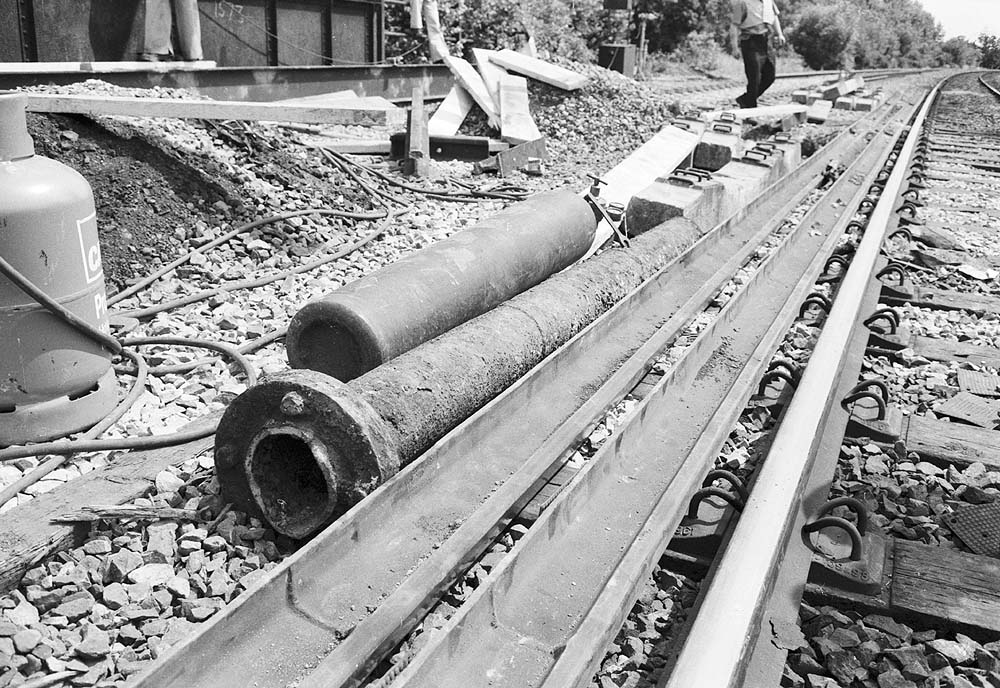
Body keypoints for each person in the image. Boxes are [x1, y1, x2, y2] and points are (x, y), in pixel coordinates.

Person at [730, 0, 785, 109]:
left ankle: (745, 100)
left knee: (770, 76)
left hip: (766, 41)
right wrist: (734, 47)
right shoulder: (742, 3)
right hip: (750, 42)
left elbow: (774, 17)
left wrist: (780, 34)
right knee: (754, 78)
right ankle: (750, 109)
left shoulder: (769, 2)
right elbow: (734, 26)